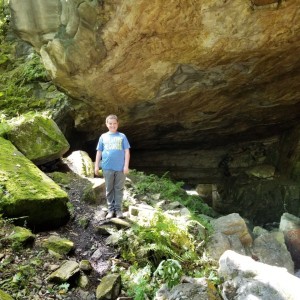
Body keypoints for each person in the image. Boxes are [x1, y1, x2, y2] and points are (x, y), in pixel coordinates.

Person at [94, 114, 130, 219]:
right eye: (110, 123)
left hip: (120, 168)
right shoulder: (103, 137)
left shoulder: (122, 136)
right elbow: (99, 152)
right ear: (106, 124)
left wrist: (126, 165)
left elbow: (127, 152)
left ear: (117, 124)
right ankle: (110, 210)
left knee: (119, 189)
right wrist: (96, 166)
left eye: (114, 123)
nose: (112, 125)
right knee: (109, 189)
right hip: (107, 167)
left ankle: (118, 210)